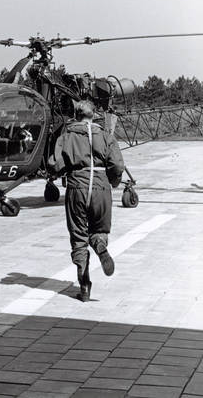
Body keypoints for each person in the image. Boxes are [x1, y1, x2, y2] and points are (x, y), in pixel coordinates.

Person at [50, 100, 124, 302]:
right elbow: (117, 165)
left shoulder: (67, 135)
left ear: (76, 115)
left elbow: (54, 164)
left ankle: (84, 286)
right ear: (94, 114)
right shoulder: (106, 136)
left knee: (79, 237)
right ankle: (99, 244)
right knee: (98, 230)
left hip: (77, 188)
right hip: (101, 188)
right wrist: (113, 182)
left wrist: (62, 171)